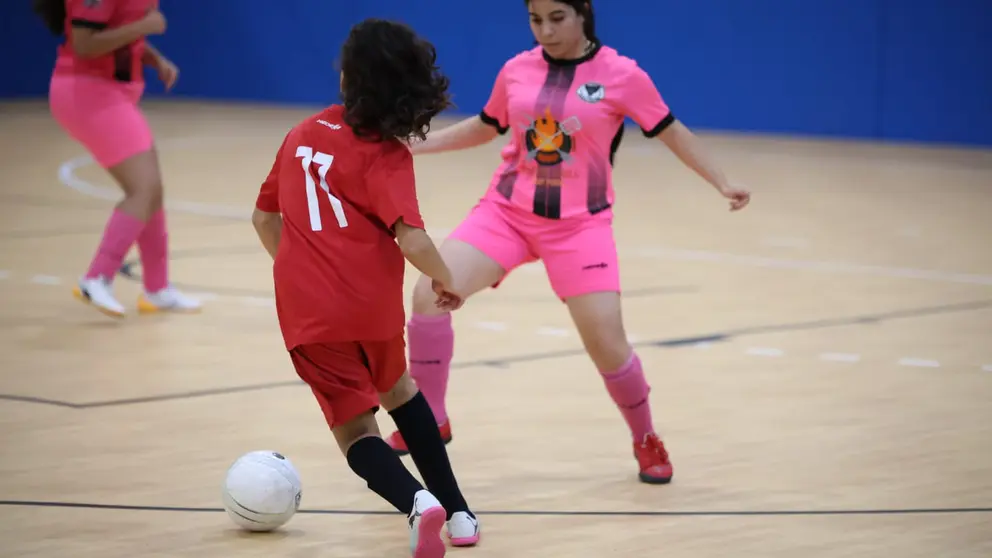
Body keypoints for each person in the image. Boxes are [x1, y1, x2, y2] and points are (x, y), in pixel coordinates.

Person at [384, 0, 752, 485]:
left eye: (558, 18)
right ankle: (428, 418)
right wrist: (417, 145)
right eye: (536, 20)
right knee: (428, 294)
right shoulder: (517, 69)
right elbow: (486, 127)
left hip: (580, 228)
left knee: (607, 344)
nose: (546, 30)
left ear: (583, 14)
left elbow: (672, 131)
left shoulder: (621, 75)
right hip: (506, 213)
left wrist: (721, 181)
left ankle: (645, 437)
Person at [251, 19, 481, 557]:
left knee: (356, 433)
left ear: (348, 77)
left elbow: (264, 220)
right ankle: (461, 514)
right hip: (372, 307)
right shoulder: (388, 154)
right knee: (399, 389)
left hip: (311, 316)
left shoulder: (301, 135)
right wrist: (448, 281)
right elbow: (414, 239)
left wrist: (299, 272)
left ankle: (417, 502)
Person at [33, 0, 201, 318]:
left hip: (111, 93)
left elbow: (120, 33)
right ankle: (97, 277)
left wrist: (155, 58)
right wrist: (145, 27)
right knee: (143, 190)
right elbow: (84, 46)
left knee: (152, 192)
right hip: (88, 95)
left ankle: (157, 289)